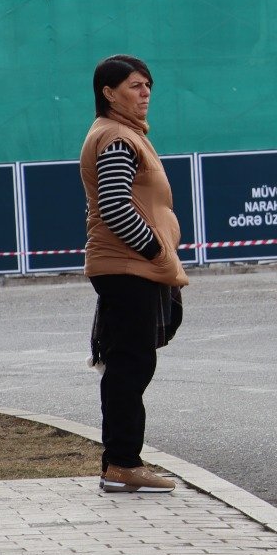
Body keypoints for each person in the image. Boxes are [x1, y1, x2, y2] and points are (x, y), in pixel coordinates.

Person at [80, 54, 188, 493]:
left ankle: (123, 461)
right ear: (109, 93)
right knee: (131, 364)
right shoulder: (116, 137)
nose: (145, 94)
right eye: (134, 86)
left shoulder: (123, 134)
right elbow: (114, 204)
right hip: (128, 265)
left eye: (148, 86)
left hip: (132, 265)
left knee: (132, 360)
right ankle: (122, 463)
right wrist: (155, 249)